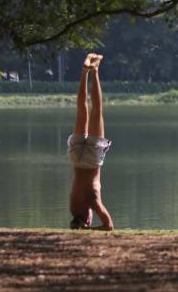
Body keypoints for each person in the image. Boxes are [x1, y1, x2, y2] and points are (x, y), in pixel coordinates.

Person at [68, 53, 114, 230]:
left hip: (91, 161)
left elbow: (108, 226)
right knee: (81, 111)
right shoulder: (73, 207)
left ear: (87, 219)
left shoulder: (92, 201)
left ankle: (95, 71)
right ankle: (84, 72)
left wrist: (89, 229)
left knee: (97, 111)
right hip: (76, 160)